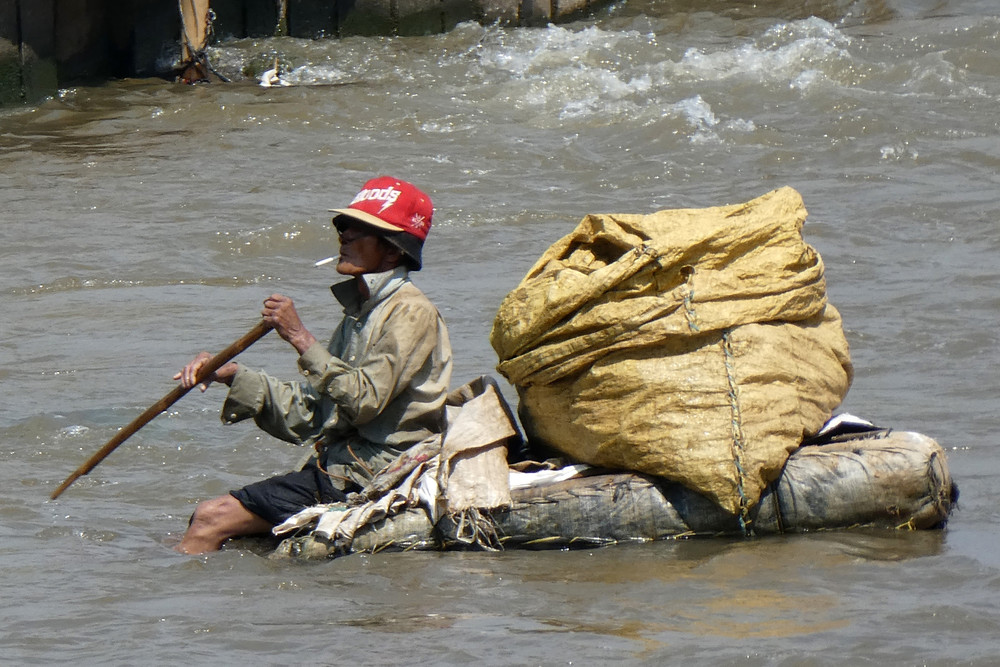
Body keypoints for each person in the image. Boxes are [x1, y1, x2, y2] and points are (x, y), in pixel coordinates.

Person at [173, 176, 453, 554]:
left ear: (391, 251)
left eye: (359, 230)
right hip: (336, 465)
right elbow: (309, 414)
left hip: (370, 473)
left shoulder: (409, 312)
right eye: (343, 226)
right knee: (206, 522)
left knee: (211, 517)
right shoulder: (360, 315)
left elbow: (364, 400)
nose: (344, 236)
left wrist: (300, 337)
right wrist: (234, 376)